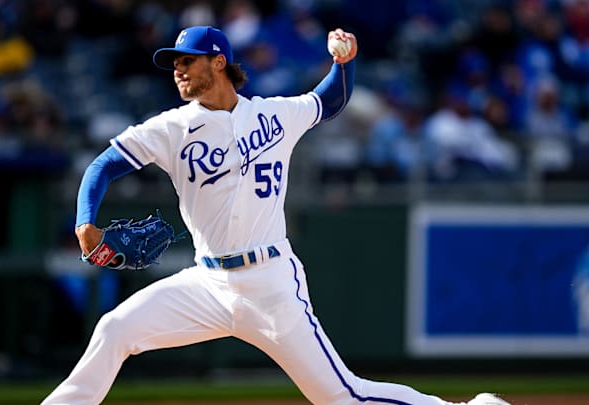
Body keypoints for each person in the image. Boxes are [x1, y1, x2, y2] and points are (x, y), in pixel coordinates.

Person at [42, 26, 510, 405]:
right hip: (206, 284)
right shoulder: (170, 128)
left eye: (187, 60)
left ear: (218, 61)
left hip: (270, 285)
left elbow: (330, 100)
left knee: (341, 396)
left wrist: (343, 64)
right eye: (175, 63)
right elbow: (103, 165)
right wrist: (86, 222)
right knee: (116, 329)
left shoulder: (275, 115)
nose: (178, 70)